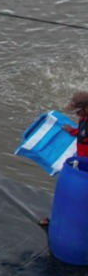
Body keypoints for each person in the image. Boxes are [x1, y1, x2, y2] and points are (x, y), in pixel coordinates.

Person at [39, 93, 88, 227]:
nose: (76, 115)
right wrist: (71, 131)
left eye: (78, 111)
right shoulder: (83, 119)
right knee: (69, 192)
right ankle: (55, 217)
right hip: (80, 163)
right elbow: (82, 133)